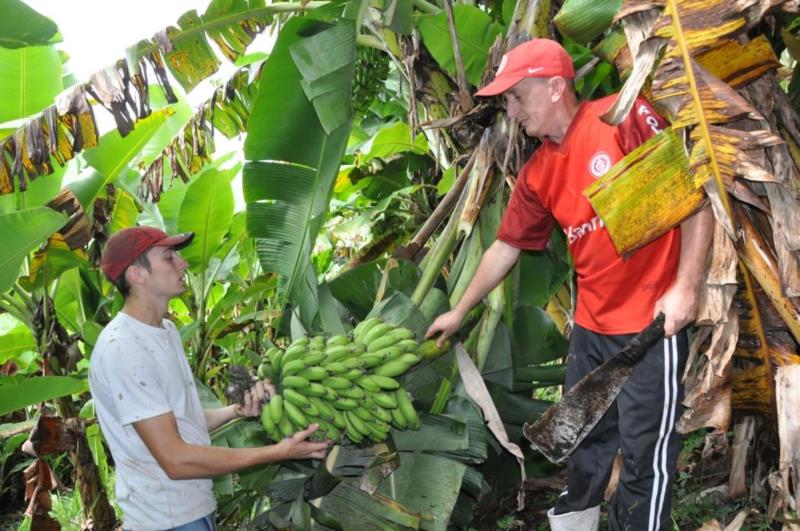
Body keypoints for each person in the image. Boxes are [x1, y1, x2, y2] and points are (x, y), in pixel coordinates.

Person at [425, 39, 713, 530]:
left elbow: (694, 201)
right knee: (582, 446)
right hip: (590, 331)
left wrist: (685, 287)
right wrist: (459, 310)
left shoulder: (618, 120)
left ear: (556, 87)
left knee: (645, 455)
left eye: (518, 97)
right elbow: (505, 247)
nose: (511, 111)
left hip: (651, 326)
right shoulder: (538, 172)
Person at [89, 227, 330, 531]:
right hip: (166, 519)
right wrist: (277, 452)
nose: (183, 263)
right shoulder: (124, 348)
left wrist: (235, 412)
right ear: (138, 275)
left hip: (190, 509)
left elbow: (176, 422)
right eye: (169, 256)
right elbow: (175, 459)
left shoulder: (165, 331)